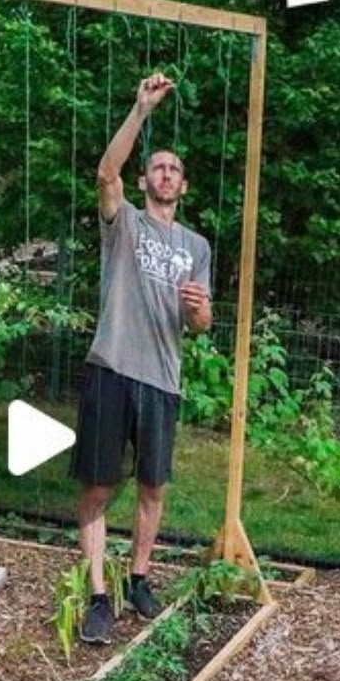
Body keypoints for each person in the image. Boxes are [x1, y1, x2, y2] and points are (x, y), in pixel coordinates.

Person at [70, 72, 212, 644]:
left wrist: (199, 308)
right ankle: (100, 597)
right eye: (158, 167)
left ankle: (139, 579)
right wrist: (140, 110)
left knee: (153, 487)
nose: (166, 174)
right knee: (99, 488)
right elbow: (106, 173)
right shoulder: (123, 222)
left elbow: (200, 326)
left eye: (174, 170)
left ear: (183, 186)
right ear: (145, 178)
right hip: (112, 367)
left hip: (163, 379)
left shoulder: (196, 247)